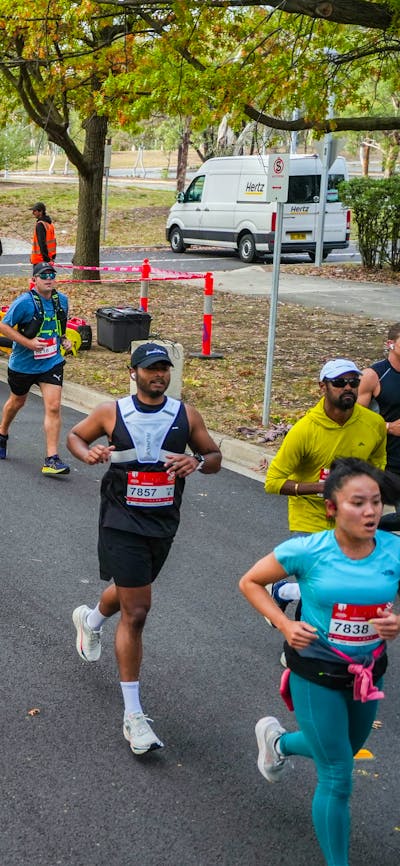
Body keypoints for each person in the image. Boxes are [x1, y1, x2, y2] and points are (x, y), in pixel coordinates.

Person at [239, 457, 400, 866]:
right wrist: (282, 624)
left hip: (367, 673)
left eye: (376, 503)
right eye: (358, 503)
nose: (370, 512)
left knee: (343, 749)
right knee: (338, 775)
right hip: (315, 671)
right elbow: (251, 581)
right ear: (332, 508)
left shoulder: (394, 549)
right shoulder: (308, 551)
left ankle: (278, 743)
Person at [67, 342, 222, 756]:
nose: (159, 375)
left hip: (162, 522)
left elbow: (214, 455)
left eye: (164, 369)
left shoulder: (185, 415)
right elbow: (75, 437)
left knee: (132, 587)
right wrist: (89, 453)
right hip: (120, 520)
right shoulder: (111, 411)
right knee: (137, 610)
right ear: (133, 372)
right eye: (151, 369)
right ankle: (133, 716)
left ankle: (92, 620)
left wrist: (198, 463)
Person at [264, 358, 387, 623]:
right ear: (323, 386)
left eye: (354, 382)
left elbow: (378, 463)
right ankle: (300, 650)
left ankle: (284, 591)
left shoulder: (373, 424)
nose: (348, 388)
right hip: (310, 519)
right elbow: (272, 482)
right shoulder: (305, 430)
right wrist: (321, 487)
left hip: (351, 520)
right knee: (321, 587)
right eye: (340, 382)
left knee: (342, 585)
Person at [0, 261, 71, 474]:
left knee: (53, 406)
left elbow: (60, 325)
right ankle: (2, 433)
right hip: (23, 364)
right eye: (44, 275)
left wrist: (64, 339)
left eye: (52, 275)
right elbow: (3, 326)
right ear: (34, 280)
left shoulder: (62, 301)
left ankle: (51, 458)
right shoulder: (24, 303)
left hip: (51, 362)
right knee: (17, 402)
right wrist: (28, 343)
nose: (49, 279)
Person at [358, 324, 400, 528]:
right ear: (390, 344)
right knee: (369, 516)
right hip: (383, 460)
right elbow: (354, 419)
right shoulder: (374, 375)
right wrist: (389, 427)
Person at [30, 202, 56, 267]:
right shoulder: (50, 225)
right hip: (49, 259)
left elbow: (42, 244)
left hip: (40, 260)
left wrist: (47, 259)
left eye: (35, 211)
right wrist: (51, 259)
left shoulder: (40, 225)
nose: (33, 213)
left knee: (39, 277)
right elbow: (54, 243)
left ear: (41, 211)